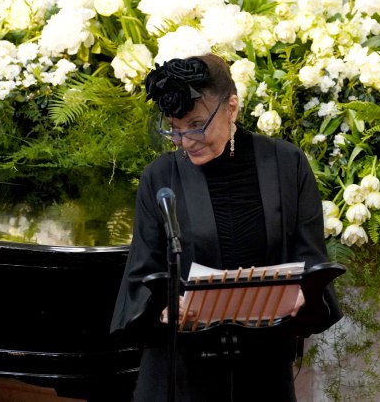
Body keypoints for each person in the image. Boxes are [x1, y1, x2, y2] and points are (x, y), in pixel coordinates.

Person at [110, 53, 342, 402]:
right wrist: (164, 306)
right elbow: (142, 275)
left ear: (231, 107)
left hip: (262, 368)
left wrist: (301, 291)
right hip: (181, 371)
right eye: (175, 128)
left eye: (197, 124)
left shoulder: (287, 164)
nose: (186, 141)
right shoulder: (160, 177)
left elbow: (310, 258)